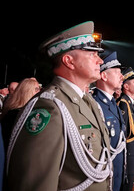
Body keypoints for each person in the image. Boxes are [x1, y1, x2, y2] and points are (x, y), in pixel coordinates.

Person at [7, 21, 112, 190]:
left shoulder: (88, 102)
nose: (100, 60)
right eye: (92, 54)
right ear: (69, 61)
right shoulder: (50, 108)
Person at [92, 51, 126, 191]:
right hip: (103, 178)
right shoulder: (95, 105)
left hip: (116, 174)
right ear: (104, 76)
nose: (122, 76)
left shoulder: (112, 103)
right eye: (117, 72)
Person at [118, 67, 134, 190]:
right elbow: (124, 134)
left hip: (132, 154)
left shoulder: (130, 102)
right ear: (126, 87)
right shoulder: (123, 103)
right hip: (128, 155)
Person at [1, 78, 41, 151]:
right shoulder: (14, 114)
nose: (39, 91)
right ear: (27, 92)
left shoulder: (15, 111)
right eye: (37, 89)